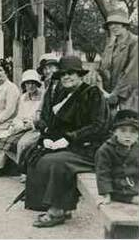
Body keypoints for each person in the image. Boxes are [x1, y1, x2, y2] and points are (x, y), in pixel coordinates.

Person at [25, 55, 110, 228]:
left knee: (56, 163)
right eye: (63, 75)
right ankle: (57, 206)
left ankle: (58, 210)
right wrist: (49, 138)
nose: (66, 77)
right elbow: (55, 124)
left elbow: (98, 126)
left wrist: (69, 138)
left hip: (90, 147)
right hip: (71, 145)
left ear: (80, 75)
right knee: (36, 155)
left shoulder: (92, 93)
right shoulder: (64, 94)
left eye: (71, 74)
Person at [0, 69, 44, 173]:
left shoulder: (42, 97)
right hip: (22, 125)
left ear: (37, 84)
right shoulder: (23, 97)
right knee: (2, 139)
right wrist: (16, 124)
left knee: (22, 143)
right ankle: (20, 163)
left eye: (33, 83)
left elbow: (40, 117)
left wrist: (29, 124)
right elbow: (19, 115)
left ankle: (24, 171)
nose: (30, 86)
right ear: (24, 85)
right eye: (27, 83)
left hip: (35, 127)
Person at [98, 7, 139, 112]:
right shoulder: (110, 45)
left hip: (130, 95)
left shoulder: (135, 42)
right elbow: (103, 68)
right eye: (110, 24)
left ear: (125, 25)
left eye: (117, 23)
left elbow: (131, 73)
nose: (113, 26)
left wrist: (115, 94)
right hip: (110, 95)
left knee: (128, 124)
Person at [96, 109, 139, 205]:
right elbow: (103, 173)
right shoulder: (106, 149)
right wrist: (106, 195)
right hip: (118, 188)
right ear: (115, 132)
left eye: (133, 132)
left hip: (135, 185)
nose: (128, 135)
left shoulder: (137, 147)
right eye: (123, 131)